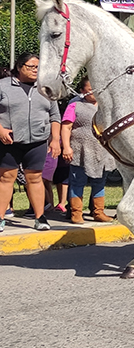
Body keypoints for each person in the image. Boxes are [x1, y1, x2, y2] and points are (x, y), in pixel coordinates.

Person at [0, 54, 61, 232]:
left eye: (38, 67)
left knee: (35, 178)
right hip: (9, 141)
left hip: (37, 141)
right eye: (31, 66)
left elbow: (55, 116)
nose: (36, 70)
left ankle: (40, 217)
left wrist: (55, 140)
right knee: (6, 178)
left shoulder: (46, 88)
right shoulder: (3, 86)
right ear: (19, 67)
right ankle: (0, 217)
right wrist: (1, 130)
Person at [60, 77, 115, 223]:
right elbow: (66, 127)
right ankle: (76, 213)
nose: (94, 92)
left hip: (102, 150)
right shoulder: (75, 105)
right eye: (90, 90)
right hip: (80, 150)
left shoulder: (106, 105)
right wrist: (66, 147)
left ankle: (98, 212)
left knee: (99, 182)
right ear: (82, 91)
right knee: (78, 182)